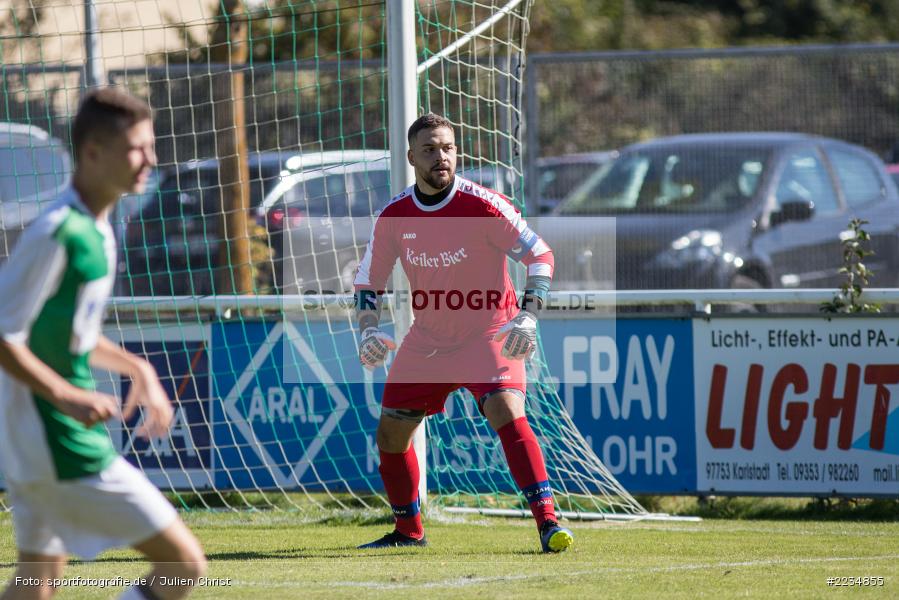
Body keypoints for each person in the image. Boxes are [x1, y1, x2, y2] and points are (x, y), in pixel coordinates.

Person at [0, 88, 206, 600]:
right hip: (58, 442)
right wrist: (69, 397)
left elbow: (77, 336)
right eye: (137, 148)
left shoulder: (100, 228)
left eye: (151, 146)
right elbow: (3, 333)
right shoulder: (58, 231)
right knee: (183, 565)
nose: (151, 160)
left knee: (35, 583)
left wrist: (139, 368)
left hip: (38, 440)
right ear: (93, 152)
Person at [354, 113, 573, 553]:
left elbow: (540, 256)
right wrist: (367, 331)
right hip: (428, 340)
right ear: (412, 157)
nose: (442, 156)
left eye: (448, 148)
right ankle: (408, 532)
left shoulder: (484, 205)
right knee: (390, 436)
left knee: (506, 411)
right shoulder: (395, 215)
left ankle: (548, 524)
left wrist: (527, 316)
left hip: (490, 333)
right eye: (431, 149)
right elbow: (367, 282)